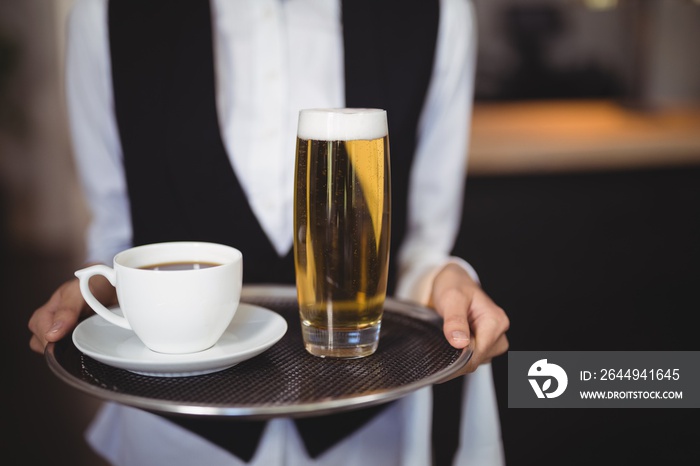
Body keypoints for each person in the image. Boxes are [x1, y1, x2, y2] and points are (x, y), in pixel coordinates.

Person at [28, 0, 510, 465]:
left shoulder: (437, 13)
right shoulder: (106, 17)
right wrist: (94, 288)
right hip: (174, 435)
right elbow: (116, 240)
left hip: (365, 429)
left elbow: (419, 246)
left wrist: (446, 279)